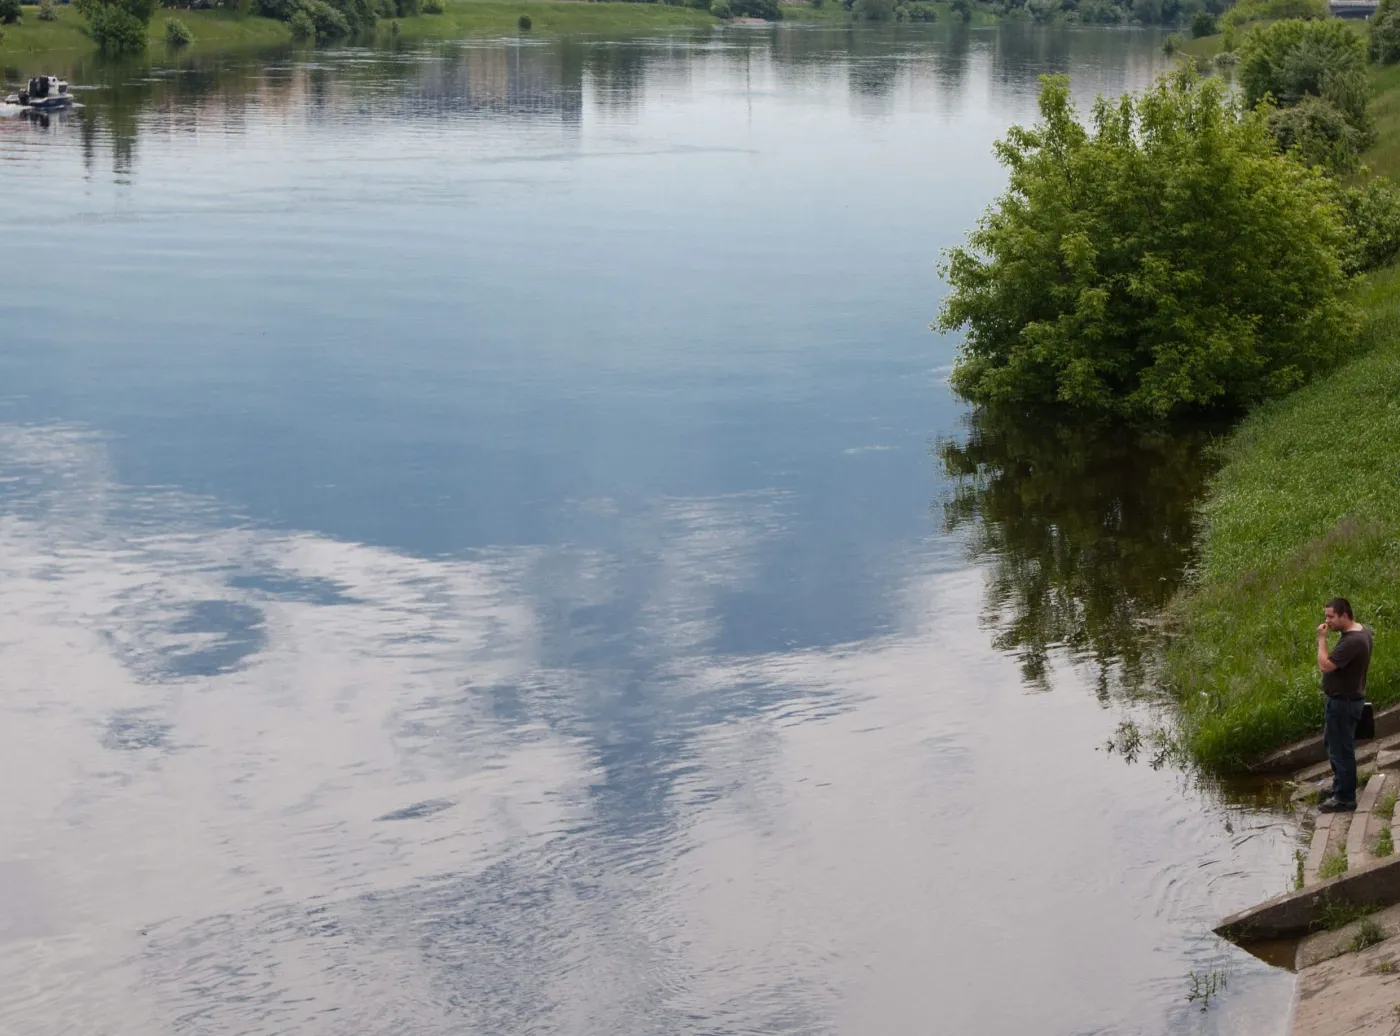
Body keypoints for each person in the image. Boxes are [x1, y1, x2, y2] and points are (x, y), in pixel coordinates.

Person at [1316, 597, 1374, 813]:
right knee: (1333, 744)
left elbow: (1325, 665)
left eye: (1331, 616)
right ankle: (1340, 785)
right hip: (1344, 700)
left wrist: (1321, 639)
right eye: (1326, 616)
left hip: (1344, 703)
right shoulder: (1360, 632)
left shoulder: (1352, 642)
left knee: (1341, 750)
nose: (1327, 621)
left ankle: (1345, 798)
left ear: (1344, 615)